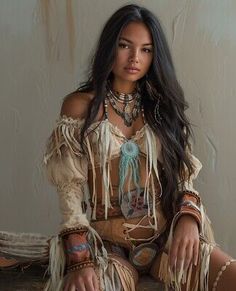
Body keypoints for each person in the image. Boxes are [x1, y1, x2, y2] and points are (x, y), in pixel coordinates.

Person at [43, 4, 236, 291]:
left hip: (166, 241)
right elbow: (69, 189)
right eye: (125, 46)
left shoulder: (162, 106)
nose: (135, 58)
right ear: (110, 47)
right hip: (109, 249)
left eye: (146, 49)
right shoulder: (81, 105)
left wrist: (188, 218)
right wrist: (79, 259)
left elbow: (183, 176)